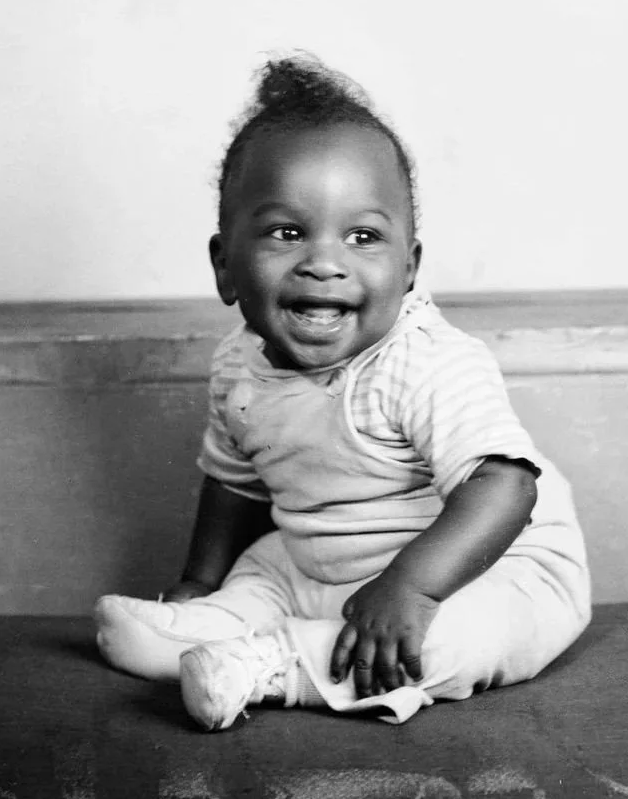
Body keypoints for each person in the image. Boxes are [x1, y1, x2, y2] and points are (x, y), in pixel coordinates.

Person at [94, 54, 590, 731]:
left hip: (479, 562)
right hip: (319, 560)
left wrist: (411, 585)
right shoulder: (238, 366)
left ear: (409, 268)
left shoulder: (425, 361)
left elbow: (506, 486)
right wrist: (201, 581)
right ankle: (204, 624)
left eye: (363, 236)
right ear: (224, 266)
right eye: (286, 232)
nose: (324, 262)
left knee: (463, 635)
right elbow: (234, 484)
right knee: (262, 569)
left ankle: (272, 666)